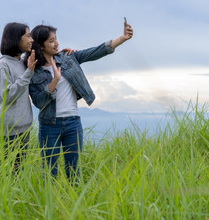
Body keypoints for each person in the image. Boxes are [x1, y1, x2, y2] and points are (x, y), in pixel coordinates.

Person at [25, 21, 133, 180]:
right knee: (49, 173)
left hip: (73, 123)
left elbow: (96, 51)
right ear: (41, 46)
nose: (57, 43)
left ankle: (74, 202)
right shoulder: (33, 70)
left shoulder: (68, 58)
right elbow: (39, 102)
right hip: (49, 125)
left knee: (74, 172)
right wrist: (54, 82)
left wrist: (122, 38)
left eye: (56, 39)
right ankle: (48, 203)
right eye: (51, 41)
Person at [0, 22, 37, 173]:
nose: (31, 40)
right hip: (9, 132)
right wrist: (28, 73)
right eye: (28, 36)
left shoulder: (22, 62)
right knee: (9, 174)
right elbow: (8, 95)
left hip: (24, 128)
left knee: (19, 173)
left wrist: (62, 52)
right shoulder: (4, 64)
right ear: (16, 39)